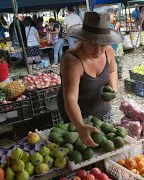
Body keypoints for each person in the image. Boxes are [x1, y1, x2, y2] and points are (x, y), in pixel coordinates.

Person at [57, 12, 123, 146]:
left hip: (103, 109)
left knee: (105, 146)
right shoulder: (72, 61)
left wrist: (113, 88)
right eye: (93, 43)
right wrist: (80, 126)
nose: (99, 50)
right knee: (84, 152)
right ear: (83, 38)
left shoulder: (108, 50)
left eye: (103, 43)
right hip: (78, 115)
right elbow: (70, 98)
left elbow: (113, 70)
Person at [107, 8, 124, 79]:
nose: (115, 18)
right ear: (108, 15)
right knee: (117, 60)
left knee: (118, 61)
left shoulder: (110, 24)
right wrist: (116, 27)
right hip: (113, 47)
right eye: (113, 16)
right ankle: (115, 75)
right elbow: (111, 35)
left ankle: (119, 74)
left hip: (115, 45)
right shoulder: (107, 25)